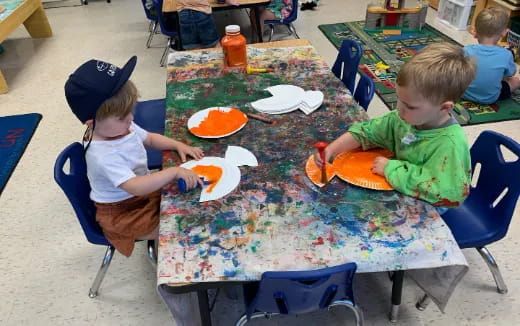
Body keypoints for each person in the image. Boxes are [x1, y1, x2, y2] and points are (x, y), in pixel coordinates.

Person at [64, 56, 204, 258]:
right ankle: (172, 280)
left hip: (143, 194)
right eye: (123, 117)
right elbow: (135, 186)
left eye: (131, 111)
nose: (131, 119)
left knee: (190, 201)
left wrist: (176, 144)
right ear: (90, 122)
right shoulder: (103, 154)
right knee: (179, 226)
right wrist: (173, 171)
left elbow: (150, 139)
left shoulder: (118, 126)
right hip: (122, 212)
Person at [315, 43, 477, 210]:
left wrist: (391, 169)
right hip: (397, 193)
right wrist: (332, 149)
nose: (399, 108)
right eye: (399, 98)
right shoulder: (403, 118)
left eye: (410, 106)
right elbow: (367, 132)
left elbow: (447, 193)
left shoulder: (450, 144)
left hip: (427, 209)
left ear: (444, 107)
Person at [462, 6, 520, 104]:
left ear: (475, 32)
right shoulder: (506, 55)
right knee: (515, 81)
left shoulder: (466, 50)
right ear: (504, 33)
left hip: (463, 93)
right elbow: (511, 73)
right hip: (491, 98)